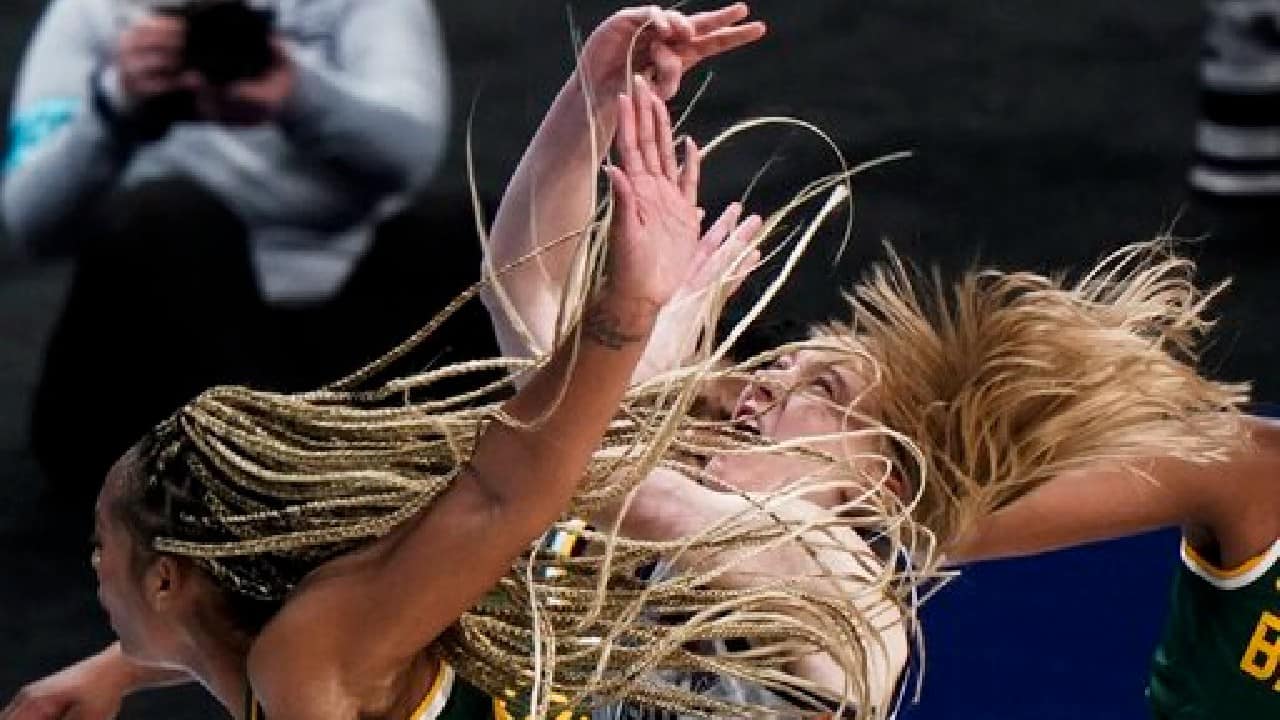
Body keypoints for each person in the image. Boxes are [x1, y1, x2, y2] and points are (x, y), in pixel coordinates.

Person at [480, 6, 1255, 718]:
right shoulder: (666, 480)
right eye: (779, 368)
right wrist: (597, 97)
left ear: (881, 477)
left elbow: (570, 457)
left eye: (820, 386)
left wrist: (635, 342)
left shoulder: (835, 579)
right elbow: (525, 293)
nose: (760, 381)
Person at [1, 45, 706, 720]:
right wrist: (107, 670)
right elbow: (197, 622)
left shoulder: (304, 661)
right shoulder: (284, 635)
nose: (94, 566)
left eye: (104, 545)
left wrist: (627, 310)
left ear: (164, 579)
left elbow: (501, 493)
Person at [2, 0, 476, 504]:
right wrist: (114, 111)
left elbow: (412, 153)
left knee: (472, 224)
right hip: (165, 359)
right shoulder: (94, 13)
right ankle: (272, 471)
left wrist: (298, 96)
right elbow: (30, 219)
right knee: (164, 216)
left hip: (338, 334)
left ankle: (482, 472)